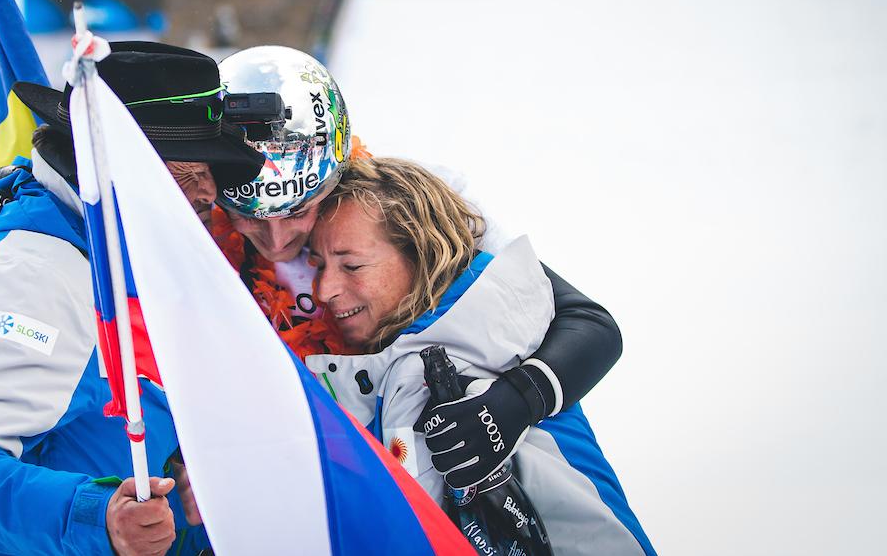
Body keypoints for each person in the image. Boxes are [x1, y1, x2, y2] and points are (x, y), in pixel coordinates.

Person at [0, 41, 263, 556]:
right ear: (114, 166)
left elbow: (94, 411)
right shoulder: (42, 271)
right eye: (188, 173)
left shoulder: (112, 245)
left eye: (210, 173)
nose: (207, 194)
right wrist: (97, 516)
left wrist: (177, 459)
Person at [215, 45, 625, 490]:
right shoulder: (206, 253)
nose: (276, 239)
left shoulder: (400, 209)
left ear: (336, 178)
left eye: (298, 211)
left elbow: (589, 324)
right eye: (250, 215)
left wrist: (515, 402)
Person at [307, 156, 654, 555]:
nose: (324, 289)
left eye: (352, 265)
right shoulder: (381, 375)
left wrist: (520, 399)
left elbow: (594, 326)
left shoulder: (492, 330)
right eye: (317, 265)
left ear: (420, 252)